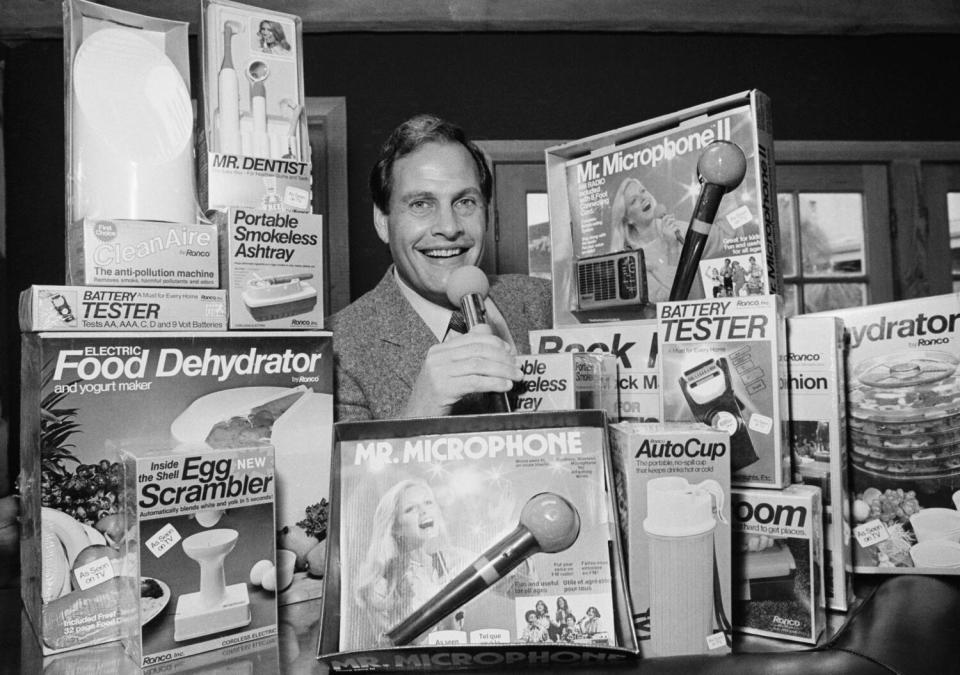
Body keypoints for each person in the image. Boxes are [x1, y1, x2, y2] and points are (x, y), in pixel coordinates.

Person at [329, 114, 552, 421]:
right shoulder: (335, 349)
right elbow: (341, 470)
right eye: (421, 204)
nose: (448, 227)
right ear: (383, 221)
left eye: (465, 202)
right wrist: (416, 416)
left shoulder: (546, 303)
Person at [354, 479, 470, 645]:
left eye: (428, 503)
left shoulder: (460, 560)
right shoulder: (382, 583)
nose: (424, 511)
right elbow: (387, 647)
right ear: (395, 528)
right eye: (410, 509)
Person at [608, 177, 686, 302]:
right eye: (634, 201)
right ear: (628, 219)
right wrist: (673, 248)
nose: (643, 198)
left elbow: (721, 238)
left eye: (643, 191)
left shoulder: (679, 228)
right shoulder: (634, 263)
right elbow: (666, 302)